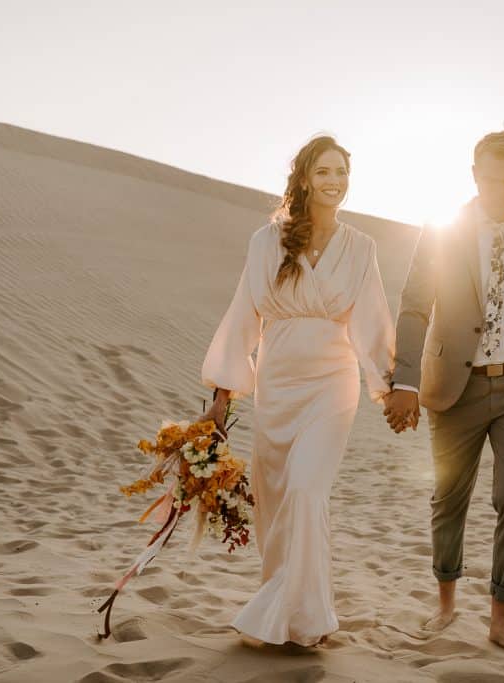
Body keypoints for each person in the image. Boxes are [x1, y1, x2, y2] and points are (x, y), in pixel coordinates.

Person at [383, 130, 504, 659]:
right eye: (490, 180)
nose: (500, 191)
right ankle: (445, 605)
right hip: (455, 386)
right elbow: (415, 303)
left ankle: (501, 619)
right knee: (449, 498)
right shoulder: (443, 230)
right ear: (473, 175)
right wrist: (405, 381)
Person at [200, 135, 394, 646]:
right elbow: (243, 318)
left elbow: (373, 325)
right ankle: (292, 607)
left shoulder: (362, 248)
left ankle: (300, 620)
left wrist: (392, 389)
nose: (336, 182)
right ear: (305, 178)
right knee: (276, 501)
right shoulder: (265, 243)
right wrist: (223, 397)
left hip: (332, 388)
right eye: (325, 172)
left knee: (307, 490)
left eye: (343, 173)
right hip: (277, 388)